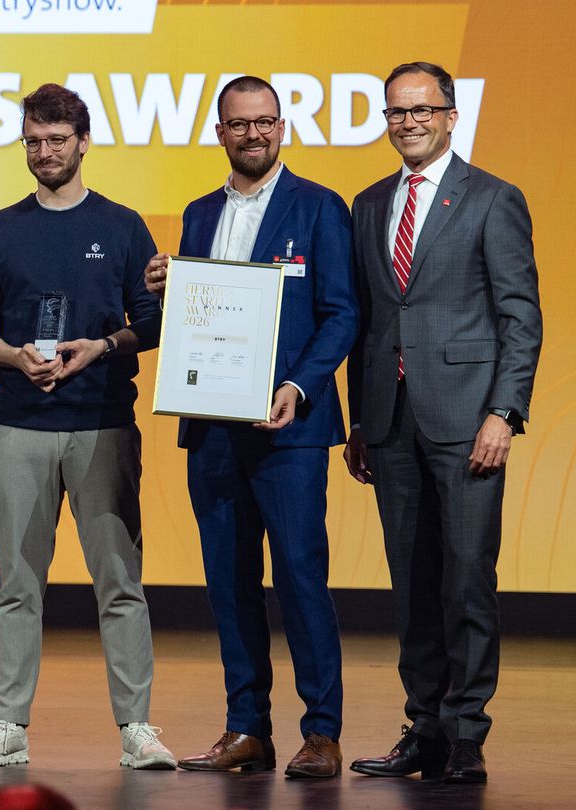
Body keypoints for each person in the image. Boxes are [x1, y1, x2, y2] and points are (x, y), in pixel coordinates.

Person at [143, 75, 358, 778]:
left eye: (265, 122)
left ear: (282, 127)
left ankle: (321, 732)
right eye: (240, 124)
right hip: (212, 426)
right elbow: (205, 316)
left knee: (300, 577)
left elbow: (341, 315)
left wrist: (298, 385)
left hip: (288, 428)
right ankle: (247, 728)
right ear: (220, 133)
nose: (254, 134)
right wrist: (167, 286)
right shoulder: (199, 213)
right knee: (229, 583)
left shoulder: (320, 207)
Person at [0, 83, 174, 770]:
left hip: (103, 423)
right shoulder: (0, 228)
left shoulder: (121, 226)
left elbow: (152, 322)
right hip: (18, 425)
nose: (45, 151)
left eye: (57, 139)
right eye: (33, 141)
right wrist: (12, 357)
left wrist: (101, 348)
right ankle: (7, 726)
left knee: (120, 583)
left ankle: (137, 727)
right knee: (16, 585)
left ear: (83, 142)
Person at [344, 62, 542, 785]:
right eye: (397, 111)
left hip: (467, 422)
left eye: (422, 109)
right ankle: (422, 727)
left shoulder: (493, 199)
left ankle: (465, 733)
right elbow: (364, 322)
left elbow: (520, 315)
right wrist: (360, 422)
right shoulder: (367, 204)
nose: (409, 122)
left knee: (465, 581)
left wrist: (504, 411)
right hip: (390, 423)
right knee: (411, 583)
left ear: (452, 116)